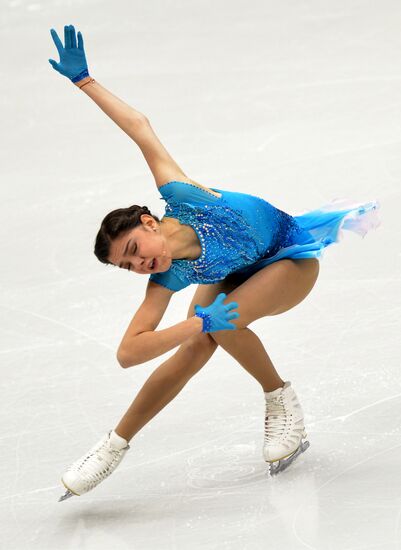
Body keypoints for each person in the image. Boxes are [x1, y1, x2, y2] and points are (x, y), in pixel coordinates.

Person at [49, 25, 381, 501]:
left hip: (292, 259)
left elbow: (140, 127)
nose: (139, 266)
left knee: (220, 324)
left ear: (148, 221)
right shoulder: (167, 277)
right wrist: (191, 327)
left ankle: (279, 397)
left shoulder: (181, 195)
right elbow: (128, 353)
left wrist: (85, 82)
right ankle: (112, 446)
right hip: (238, 273)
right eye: (127, 267)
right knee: (197, 342)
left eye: (133, 251)